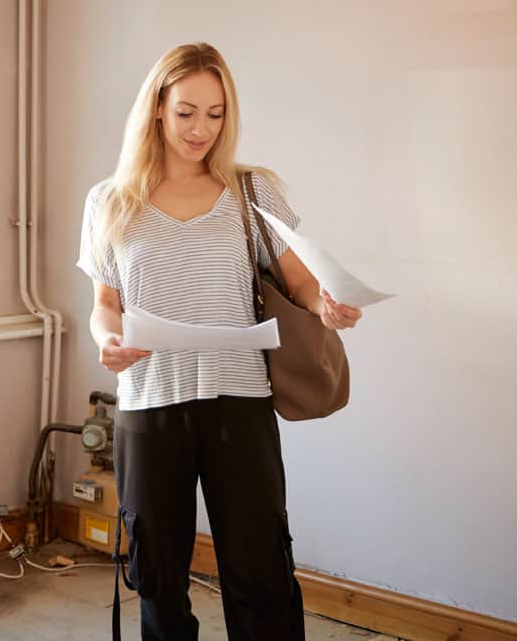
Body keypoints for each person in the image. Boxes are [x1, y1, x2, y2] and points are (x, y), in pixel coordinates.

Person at [76, 43, 363, 640]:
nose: (201, 129)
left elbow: (300, 282)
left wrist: (324, 305)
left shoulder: (253, 193)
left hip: (240, 403)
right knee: (156, 575)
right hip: (150, 406)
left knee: (260, 569)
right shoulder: (111, 200)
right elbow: (106, 307)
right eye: (186, 112)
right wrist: (108, 342)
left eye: (215, 113)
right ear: (157, 108)